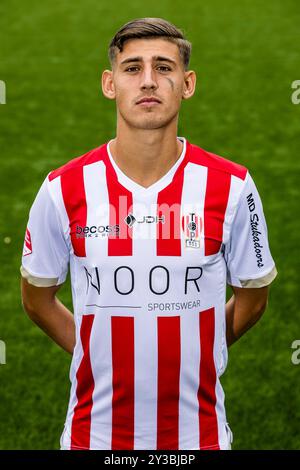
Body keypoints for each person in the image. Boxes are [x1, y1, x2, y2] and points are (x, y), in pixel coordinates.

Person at [20, 17, 277, 451]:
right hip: (92, 438)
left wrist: (201, 345)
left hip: (199, 440)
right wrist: (96, 353)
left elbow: (254, 296)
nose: (149, 82)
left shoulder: (232, 187)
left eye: (164, 67)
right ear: (109, 83)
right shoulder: (62, 189)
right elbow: (37, 299)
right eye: (133, 68)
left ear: (188, 83)